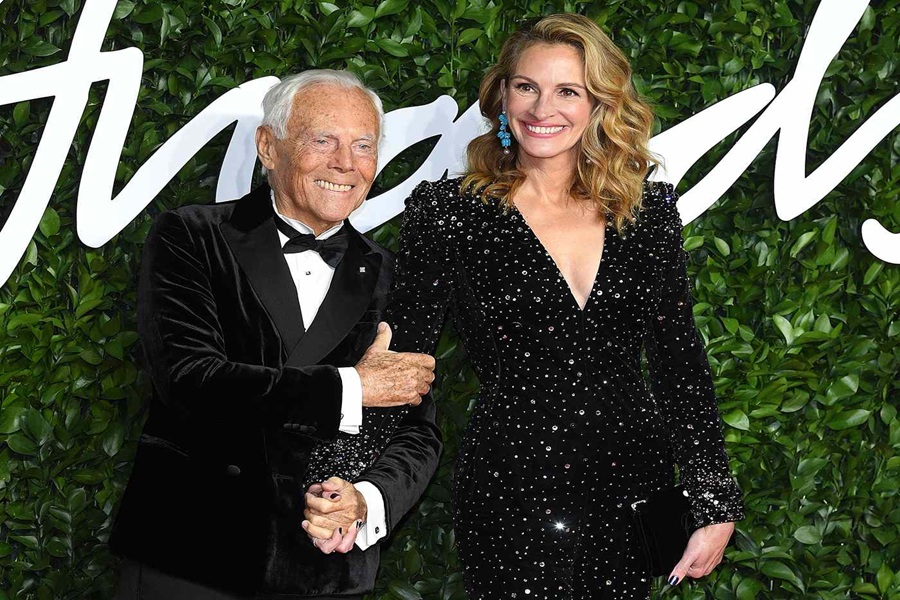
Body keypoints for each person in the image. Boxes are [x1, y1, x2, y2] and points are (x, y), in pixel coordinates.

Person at [383, 14, 744, 600]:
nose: (541, 108)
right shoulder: (451, 213)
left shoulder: (647, 214)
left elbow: (679, 365)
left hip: (633, 490)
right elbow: (398, 361)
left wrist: (714, 499)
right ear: (502, 95)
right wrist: (343, 474)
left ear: (598, 103)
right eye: (526, 86)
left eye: (567, 91)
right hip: (510, 487)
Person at [110, 70, 441, 600]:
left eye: (363, 146)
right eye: (323, 140)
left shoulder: (392, 276)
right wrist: (352, 389)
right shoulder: (192, 236)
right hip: (193, 556)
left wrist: (367, 500)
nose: (346, 163)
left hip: (323, 568)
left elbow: (416, 430)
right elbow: (190, 380)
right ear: (268, 146)